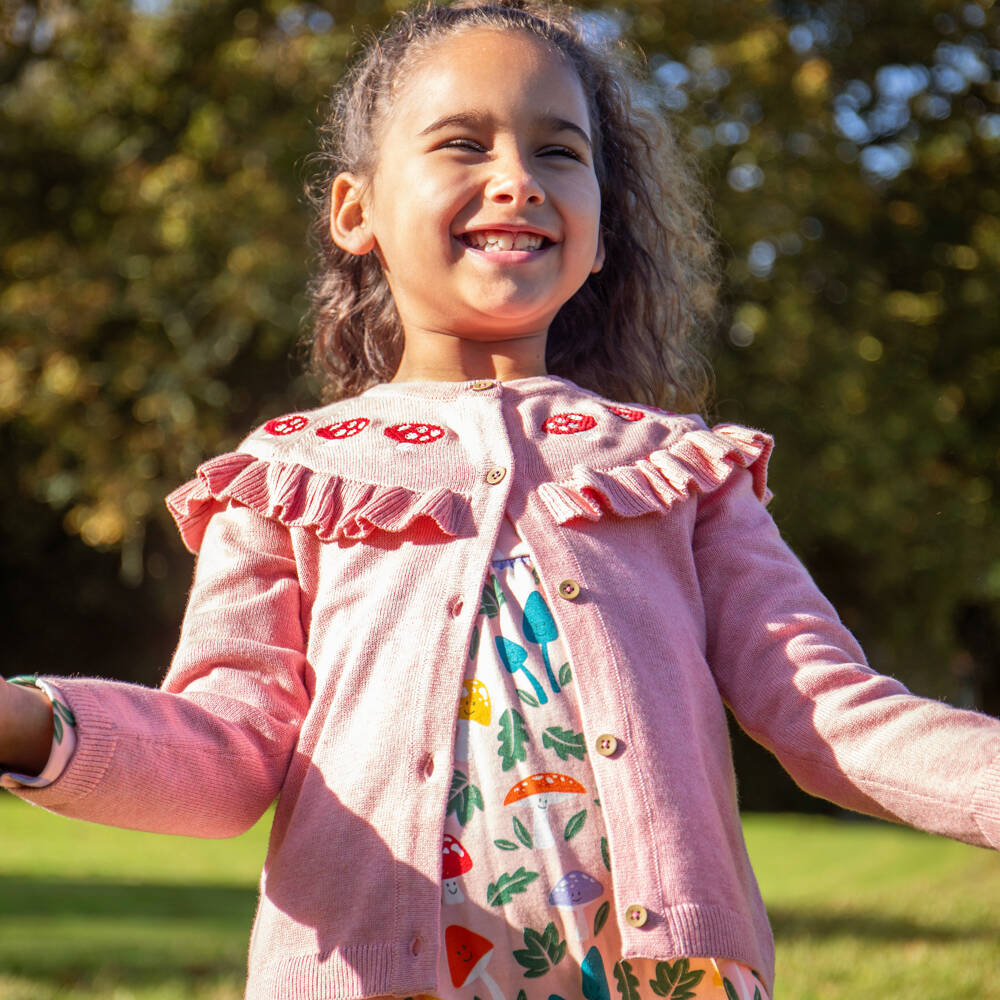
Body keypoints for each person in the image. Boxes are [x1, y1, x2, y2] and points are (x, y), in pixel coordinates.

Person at [1, 2, 998, 998]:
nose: (517, 177)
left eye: (559, 152)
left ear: (602, 228)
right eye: (461, 143)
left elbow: (833, 715)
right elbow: (224, 752)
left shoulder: (680, 471)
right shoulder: (288, 476)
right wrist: (24, 722)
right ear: (355, 212)